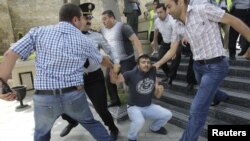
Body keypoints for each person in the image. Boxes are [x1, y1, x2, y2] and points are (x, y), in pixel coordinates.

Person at [0, 3, 114, 141]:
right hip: (73, 96)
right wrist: (113, 66)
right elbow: (103, 61)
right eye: (82, 19)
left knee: (42, 134)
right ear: (75, 20)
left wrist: (2, 85)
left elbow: (11, 54)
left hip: (44, 98)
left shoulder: (38, 32)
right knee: (91, 124)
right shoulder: (84, 40)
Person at [154, 0, 250, 140]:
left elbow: (234, 20)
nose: (168, 12)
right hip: (198, 66)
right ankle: (221, 96)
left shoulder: (203, 9)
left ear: (180, 2)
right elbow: (172, 50)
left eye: (169, 7)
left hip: (216, 66)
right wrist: (157, 64)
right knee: (208, 89)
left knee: (197, 109)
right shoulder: (177, 25)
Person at [59, 3, 119, 140]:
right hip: (74, 77)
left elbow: (110, 50)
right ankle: (72, 121)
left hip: (94, 78)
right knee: (61, 103)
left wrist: (116, 63)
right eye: (85, 17)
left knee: (101, 108)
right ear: (77, 19)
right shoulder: (67, 37)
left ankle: (113, 128)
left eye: (90, 17)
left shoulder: (97, 36)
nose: (89, 20)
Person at [110, 54, 172, 141]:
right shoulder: (130, 74)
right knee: (139, 122)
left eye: (148, 62)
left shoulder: (153, 72)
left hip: (148, 106)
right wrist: (114, 71)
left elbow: (157, 96)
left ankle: (155, 127)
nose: (146, 64)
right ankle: (132, 138)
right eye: (143, 62)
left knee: (168, 114)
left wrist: (160, 90)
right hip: (134, 107)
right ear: (138, 65)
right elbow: (114, 81)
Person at [100, 10, 144, 107]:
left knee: (130, 80)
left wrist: (141, 55)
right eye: (102, 20)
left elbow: (135, 40)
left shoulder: (123, 27)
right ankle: (115, 101)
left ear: (112, 18)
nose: (103, 22)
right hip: (113, 61)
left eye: (105, 19)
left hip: (127, 60)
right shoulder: (102, 30)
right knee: (108, 79)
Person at [152, 3, 181, 87]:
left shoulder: (172, 20)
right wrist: (154, 41)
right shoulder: (157, 21)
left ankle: (170, 79)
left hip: (176, 41)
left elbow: (176, 35)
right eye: (157, 12)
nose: (159, 15)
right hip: (165, 42)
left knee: (175, 58)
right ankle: (169, 74)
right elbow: (156, 31)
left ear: (166, 11)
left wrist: (173, 50)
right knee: (159, 58)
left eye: (161, 12)